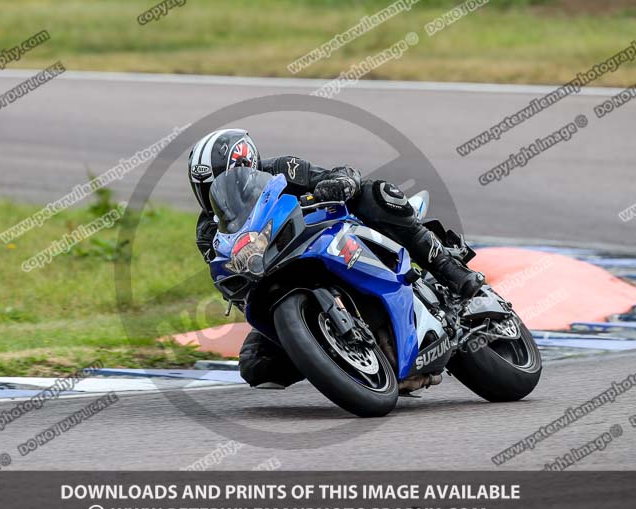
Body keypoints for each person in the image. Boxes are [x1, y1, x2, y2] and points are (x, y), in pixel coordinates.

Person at [189, 129, 484, 388]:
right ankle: (338, 359)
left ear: (246, 165)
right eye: (204, 188)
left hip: (329, 240)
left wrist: (339, 182)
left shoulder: (281, 169)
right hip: (276, 279)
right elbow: (226, 277)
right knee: (255, 366)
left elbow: (341, 173)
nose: (211, 194)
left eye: (218, 182)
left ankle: (449, 270)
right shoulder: (208, 231)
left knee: (376, 193)